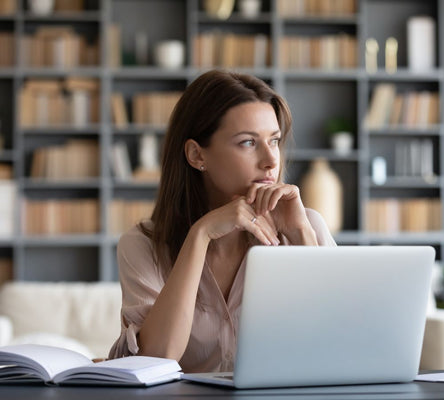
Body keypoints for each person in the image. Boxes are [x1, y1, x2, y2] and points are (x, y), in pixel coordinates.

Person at [108, 70, 336, 372]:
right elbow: (157, 358)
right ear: (196, 155)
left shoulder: (306, 225)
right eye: (247, 143)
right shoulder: (142, 245)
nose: (270, 160)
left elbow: (338, 342)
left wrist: (300, 234)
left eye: (275, 141)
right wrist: (199, 235)